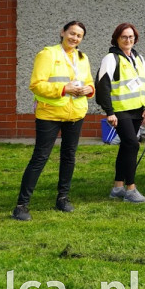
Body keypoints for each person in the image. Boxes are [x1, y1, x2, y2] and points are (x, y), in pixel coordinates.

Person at [12, 21, 95, 221]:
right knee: (40, 158)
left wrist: (88, 90)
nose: (74, 38)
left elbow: (90, 83)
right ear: (62, 32)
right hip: (49, 113)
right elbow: (37, 85)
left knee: (69, 157)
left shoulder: (82, 58)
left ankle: (63, 198)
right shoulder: (47, 54)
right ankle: (21, 205)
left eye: (79, 36)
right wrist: (64, 89)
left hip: (75, 113)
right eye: (72, 33)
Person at [95, 23, 145, 204]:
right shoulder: (111, 59)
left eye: (131, 37)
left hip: (137, 110)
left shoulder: (139, 58)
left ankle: (117, 187)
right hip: (120, 111)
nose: (128, 40)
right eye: (124, 37)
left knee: (126, 147)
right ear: (117, 39)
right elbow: (102, 86)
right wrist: (109, 112)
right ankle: (131, 189)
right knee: (132, 144)